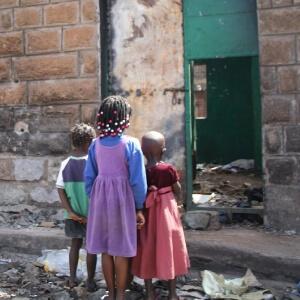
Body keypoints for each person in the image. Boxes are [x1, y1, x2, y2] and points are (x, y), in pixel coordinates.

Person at [84, 95, 147, 300]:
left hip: (100, 200)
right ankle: (121, 294)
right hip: (123, 201)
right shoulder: (131, 144)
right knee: (120, 249)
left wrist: (93, 198)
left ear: (102, 118)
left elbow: (89, 177)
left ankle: (110, 294)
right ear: (124, 118)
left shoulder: (95, 145)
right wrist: (138, 207)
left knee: (105, 249)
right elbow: (138, 181)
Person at [132, 131, 190, 300]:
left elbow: (138, 193)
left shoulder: (141, 171)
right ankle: (172, 293)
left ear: (143, 151)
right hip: (166, 214)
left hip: (147, 213)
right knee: (170, 247)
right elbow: (177, 188)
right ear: (163, 150)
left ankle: (150, 292)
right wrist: (179, 204)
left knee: (147, 247)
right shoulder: (168, 169)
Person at [56, 123, 98, 291]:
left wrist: (70, 212)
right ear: (89, 142)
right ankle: (90, 281)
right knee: (91, 248)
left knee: (75, 244)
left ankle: (72, 279)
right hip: (92, 214)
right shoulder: (93, 162)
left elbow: (60, 189)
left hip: (73, 214)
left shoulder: (65, 163)